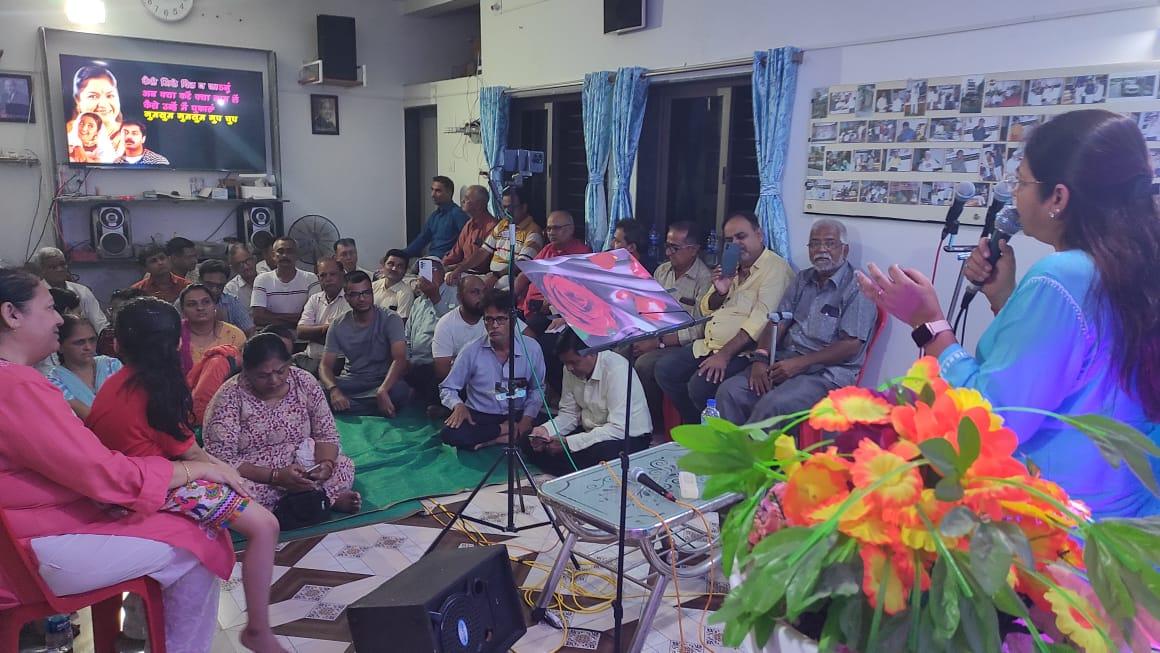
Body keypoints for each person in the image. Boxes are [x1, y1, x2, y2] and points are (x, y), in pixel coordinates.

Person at [855, 109, 1160, 519]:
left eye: (1022, 182)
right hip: (1130, 522)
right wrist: (1005, 297)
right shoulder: (1136, 266)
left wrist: (928, 323)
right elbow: (1075, 376)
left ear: (1058, 198)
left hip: (1063, 530)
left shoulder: (1062, 276)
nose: (1015, 195)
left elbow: (989, 421)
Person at [0, 268, 247, 653]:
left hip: (32, 532)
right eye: (49, 308)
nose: (59, 319)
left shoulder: (31, 380)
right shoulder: (16, 387)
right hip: (31, 550)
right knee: (201, 541)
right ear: (11, 315)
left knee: (176, 523)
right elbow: (102, 473)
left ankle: (138, 634)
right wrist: (191, 470)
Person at [86, 297, 285, 653]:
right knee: (265, 525)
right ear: (178, 343)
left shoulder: (119, 383)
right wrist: (226, 474)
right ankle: (258, 628)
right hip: (152, 486)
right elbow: (192, 454)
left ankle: (137, 628)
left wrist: (223, 473)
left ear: (118, 344)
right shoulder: (156, 390)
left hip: (129, 481)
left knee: (238, 489)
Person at [716, 219, 878, 425]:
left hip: (826, 374)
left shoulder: (858, 287)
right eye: (815, 244)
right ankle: (731, 454)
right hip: (784, 361)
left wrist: (800, 364)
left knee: (774, 405)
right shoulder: (803, 279)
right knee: (730, 392)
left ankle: (756, 456)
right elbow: (777, 321)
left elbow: (851, 346)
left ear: (844, 250)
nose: (821, 250)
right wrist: (760, 358)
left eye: (829, 243)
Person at [654, 211, 793, 424]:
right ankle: (695, 426)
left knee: (699, 386)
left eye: (741, 236)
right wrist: (720, 292)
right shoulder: (732, 265)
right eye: (730, 241)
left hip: (742, 352)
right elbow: (706, 308)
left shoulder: (775, 269)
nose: (736, 244)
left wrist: (724, 356)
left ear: (759, 235)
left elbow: (760, 321)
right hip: (708, 344)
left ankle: (713, 434)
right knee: (666, 370)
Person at [204, 334, 361, 514]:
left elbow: (326, 433)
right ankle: (322, 499)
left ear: (289, 364)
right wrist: (276, 476)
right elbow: (221, 458)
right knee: (225, 491)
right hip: (255, 475)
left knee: (343, 466)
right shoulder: (229, 397)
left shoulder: (304, 381)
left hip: (303, 466)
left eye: (280, 371)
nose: (274, 381)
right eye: (263, 375)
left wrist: (325, 465)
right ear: (247, 371)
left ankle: (313, 499)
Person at [526, 329, 652, 476]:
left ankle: (573, 468)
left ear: (591, 353)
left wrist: (570, 443)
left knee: (600, 453)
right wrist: (545, 431)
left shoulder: (617, 369)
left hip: (627, 437)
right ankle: (576, 468)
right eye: (566, 363)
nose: (569, 368)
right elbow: (569, 414)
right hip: (591, 432)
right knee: (528, 440)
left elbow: (618, 428)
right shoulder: (569, 369)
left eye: (574, 362)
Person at [632, 221, 713, 434]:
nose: (668, 252)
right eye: (667, 246)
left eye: (674, 248)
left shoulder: (705, 279)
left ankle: (653, 426)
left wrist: (657, 343)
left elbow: (699, 329)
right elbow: (649, 307)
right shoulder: (662, 270)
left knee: (645, 364)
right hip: (655, 334)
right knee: (619, 351)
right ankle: (626, 419)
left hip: (681, 343)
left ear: (694, 249)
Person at [440, 290, 545, 450]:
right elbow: (448, 387)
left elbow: (537, 388)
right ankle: (505, 433)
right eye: (489, 320)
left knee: (546, 432)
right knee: (450, 433)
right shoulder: (471, 351)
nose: (494, 326)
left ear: (514, 321)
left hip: (517, 413)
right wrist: (458, 405)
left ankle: (493, 439)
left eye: (501, 319)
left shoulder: (531, 348)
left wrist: (526, 421)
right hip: (481, 416)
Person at [318, 270, 411, 417]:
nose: (362, 299)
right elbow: (325, 365)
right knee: (318, 389)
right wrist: (334, 390)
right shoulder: (338, 324)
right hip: (352, 380)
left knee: (400, 391)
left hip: (382, 381)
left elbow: (399, 359)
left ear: (372, 293)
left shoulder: (391, 319)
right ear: (347, 297)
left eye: (366, 293)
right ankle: (370, 407)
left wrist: (383, 390)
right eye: (355, 295)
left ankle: (347, 406)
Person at [447, 188, 543, 290]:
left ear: (523, 207)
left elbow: (521, 264)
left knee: (495, 286)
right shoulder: (502, 224)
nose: (506, 211)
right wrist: (460, 269)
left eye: (510, 207)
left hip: (510, 279)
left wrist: (496, 275)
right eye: (504, 207)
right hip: (492, 275)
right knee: (451, 279)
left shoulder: (533, 231)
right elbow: (483, 251)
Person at [514, 210, 591, 322]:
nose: (551, 233)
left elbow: (576, 293)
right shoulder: (548, 249)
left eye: (556, 228)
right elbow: (525, 275)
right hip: (525, 308)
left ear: (570, 229)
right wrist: (509, 296)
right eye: (549, 229)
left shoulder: (581, 254)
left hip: (550, 313)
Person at [46, 314, 122, 419]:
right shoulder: (53, 382)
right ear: (60, 347)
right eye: (79, 342)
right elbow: (91, 419)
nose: (88, 347)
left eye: (92, 340)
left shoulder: (112, 365)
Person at [405, 258, 457, 410]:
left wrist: (435, 297)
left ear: (441, 273)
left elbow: (453, 327)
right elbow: (407, 334)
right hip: (415, 361)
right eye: (422, 271)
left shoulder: (455, 294)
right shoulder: (418, 301)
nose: (424, 275)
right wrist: (406, 358)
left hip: (439, 361)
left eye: (430, 270)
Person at [32, 246, 107, 333]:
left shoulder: (82, 291)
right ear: (42, 270)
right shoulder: (35, 294)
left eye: (62, 264)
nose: (60, 269)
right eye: (53, 267)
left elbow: (100, 323)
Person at [295, 257, 350, 376]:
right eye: (323, 275)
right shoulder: (315, 299)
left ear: (342, 275)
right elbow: (300, 331)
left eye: (332, 274)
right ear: (318, 278)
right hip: (309, 358)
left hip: (338, 362)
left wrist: (312, 335)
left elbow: (344, 338)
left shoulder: (350, 299)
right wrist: (326, 328)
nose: (328, 279)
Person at [251, 237, 320, 327]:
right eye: (280, 251)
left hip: (303, 335)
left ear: (297, 255)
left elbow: (315, 315)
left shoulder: (310, 279)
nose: (285, 255)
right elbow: (258, 318)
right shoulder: (262, 280)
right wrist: (298, 318)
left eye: (289, 251)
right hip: (272, 335)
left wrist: (272, 316)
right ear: (273, 255)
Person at [177, 284, 246, 372]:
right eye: (192, 304)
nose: (200, 308)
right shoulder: (174, 335)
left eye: (206, 302)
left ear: (215, 305)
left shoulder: (234, 335)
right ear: (183, 311)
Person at [432, 275, 487, 382]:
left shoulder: (496, 317)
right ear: (459, 298)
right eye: (474, 292)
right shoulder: (446, 324)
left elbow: (528, 337)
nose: (482, 297)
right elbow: (442, 371)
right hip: (460, 385)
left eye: (484, 291)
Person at [66, 64, 124, 161]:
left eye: (110, 96)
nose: (103, 104)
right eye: (93, 96)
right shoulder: (68, 134)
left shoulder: (131, 134)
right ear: (77, 100)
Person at [403, 176, 469, 260]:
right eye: (432, 190)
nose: (432, 194)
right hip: (431, 259)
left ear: (449, 193)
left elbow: (467, 240)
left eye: (438, 191)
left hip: (447, 263)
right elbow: (421, 239)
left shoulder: (457, 214)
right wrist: (400, 254)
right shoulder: (434, 216)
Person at [443, 185, 498, 274]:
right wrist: (443, 265)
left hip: (476, 274)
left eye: (467, 198)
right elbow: (455, 253)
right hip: (460, 270)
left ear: (479, 205)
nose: (462, 201)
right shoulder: (469, 224)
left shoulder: (492, 227)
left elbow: (481, 263)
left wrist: (456, 268)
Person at [196, 258, 253, 334]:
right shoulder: (186, 301)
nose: (214, 290)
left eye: (219, 286)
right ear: (200, 280)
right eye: (209, 285)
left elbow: (250, 330)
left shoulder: (232, 302)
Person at [96, 286, 144, 357]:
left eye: (116, 309)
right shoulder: (106, 336)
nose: (110, 314)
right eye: (111, 309)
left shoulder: (150, 338)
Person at [371, 249, 416, 319]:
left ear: (405, 271)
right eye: (390, 264)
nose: (394, 268)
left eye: (399, 266)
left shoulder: (406, 293)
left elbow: (400, 323)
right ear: (383, 265)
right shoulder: (373, 286)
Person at [225, 242, 259, 308]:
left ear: (254, 259)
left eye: (247, 261)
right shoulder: (230, 289)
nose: (245, 267)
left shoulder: (268, 278)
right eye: (239, 264)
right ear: (233, 268)